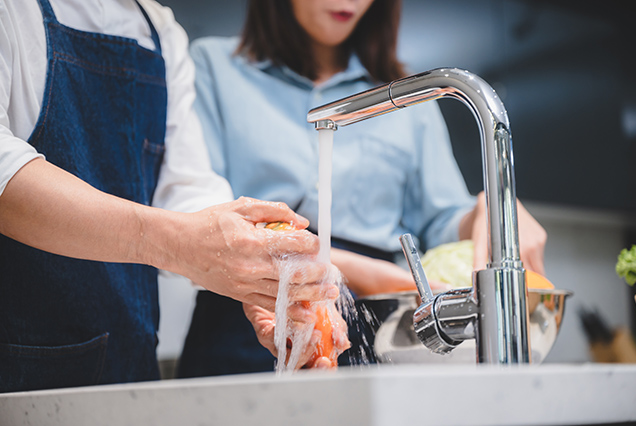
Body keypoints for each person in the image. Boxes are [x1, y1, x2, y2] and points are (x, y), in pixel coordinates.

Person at [176, 0, 546, 377]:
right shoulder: (212, 65)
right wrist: (333, 266)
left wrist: (491, 208)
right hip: (243, 313)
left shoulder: (410, 94)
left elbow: (442, 220)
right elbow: (197, 210)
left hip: (372, 329)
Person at [0, 0, 349, 394]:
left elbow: (184, 187)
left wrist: (270, 283)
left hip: (128, 364)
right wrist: (175, 243)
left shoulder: (159, 29)